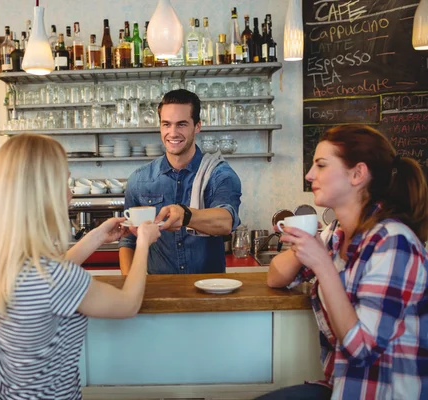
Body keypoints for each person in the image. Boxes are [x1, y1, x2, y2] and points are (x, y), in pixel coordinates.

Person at [0, 134, 160, 400]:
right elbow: (128, 304)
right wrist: (142, 243)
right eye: (65, 182)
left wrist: (96, 236)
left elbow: (46, 282)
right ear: (43, 192)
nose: (70, 193)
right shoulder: (55, 278)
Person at [260, 124, 428, 399]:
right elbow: (275, 277)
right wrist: (303, 242)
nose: (309, 174)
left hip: (384, 392)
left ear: (357, 174)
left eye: (321, 165)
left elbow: (362, 350)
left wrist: (323, 266)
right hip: (343, 386)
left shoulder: (393, 242)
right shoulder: (337, 234)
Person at [119, 89, 242, 275]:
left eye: (182, 124)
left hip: (209, 291)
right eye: (166, 124)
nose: (173, 132)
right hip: (157, 289)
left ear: (197, 126)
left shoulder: (219, 174)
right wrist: (129, 283)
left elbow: (226, 221)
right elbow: (128, 240)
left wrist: (186, 215)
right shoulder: (140, 179)